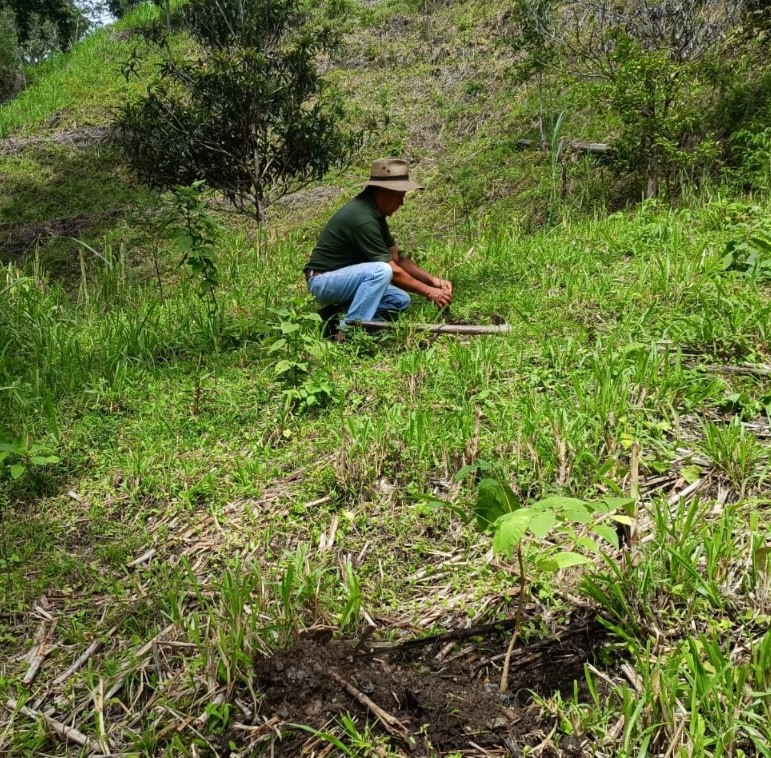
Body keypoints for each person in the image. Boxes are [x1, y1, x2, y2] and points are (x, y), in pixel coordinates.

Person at [303, 157, 452, 335]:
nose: (401, 203)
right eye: (399, 197)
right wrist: (429, 292)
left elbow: (398, 258)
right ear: (383, 192)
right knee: (381, 271)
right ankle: (350, 333)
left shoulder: (374, 214)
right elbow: (393, 270)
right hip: (323, 282)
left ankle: (336, 319)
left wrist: (432, 281)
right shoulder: (362, 218)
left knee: (400, 300)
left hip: (345, 280)